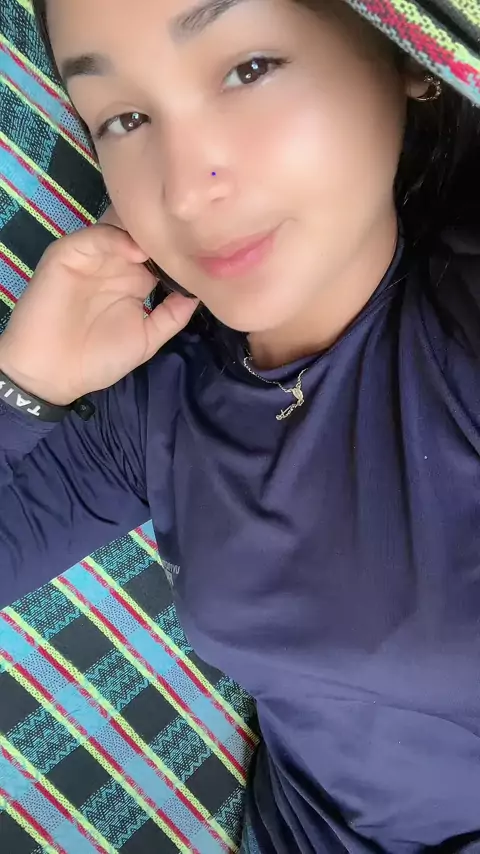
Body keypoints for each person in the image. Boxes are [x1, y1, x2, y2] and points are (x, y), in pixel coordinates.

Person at [1, 0, 480, 850]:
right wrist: (24, 387)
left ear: (409, 53)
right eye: (125, 119)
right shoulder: (161, 400)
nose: (185, 191)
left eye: (248, 69)